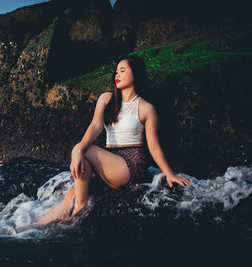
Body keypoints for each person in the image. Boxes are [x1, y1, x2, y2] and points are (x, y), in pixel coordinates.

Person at [37, 54, 191, 226]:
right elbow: (96, 125)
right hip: (110, 163)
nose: (117, 74)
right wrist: (78, 150)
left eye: (123, 70)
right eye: (116, 71)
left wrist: (170, 174)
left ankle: (79, 210)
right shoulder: (107, 99)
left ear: (136, 74)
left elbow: (153, 146)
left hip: (132, 163)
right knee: (71, 193)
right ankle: (31, 229)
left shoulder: (146, 108)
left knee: (84, 150)